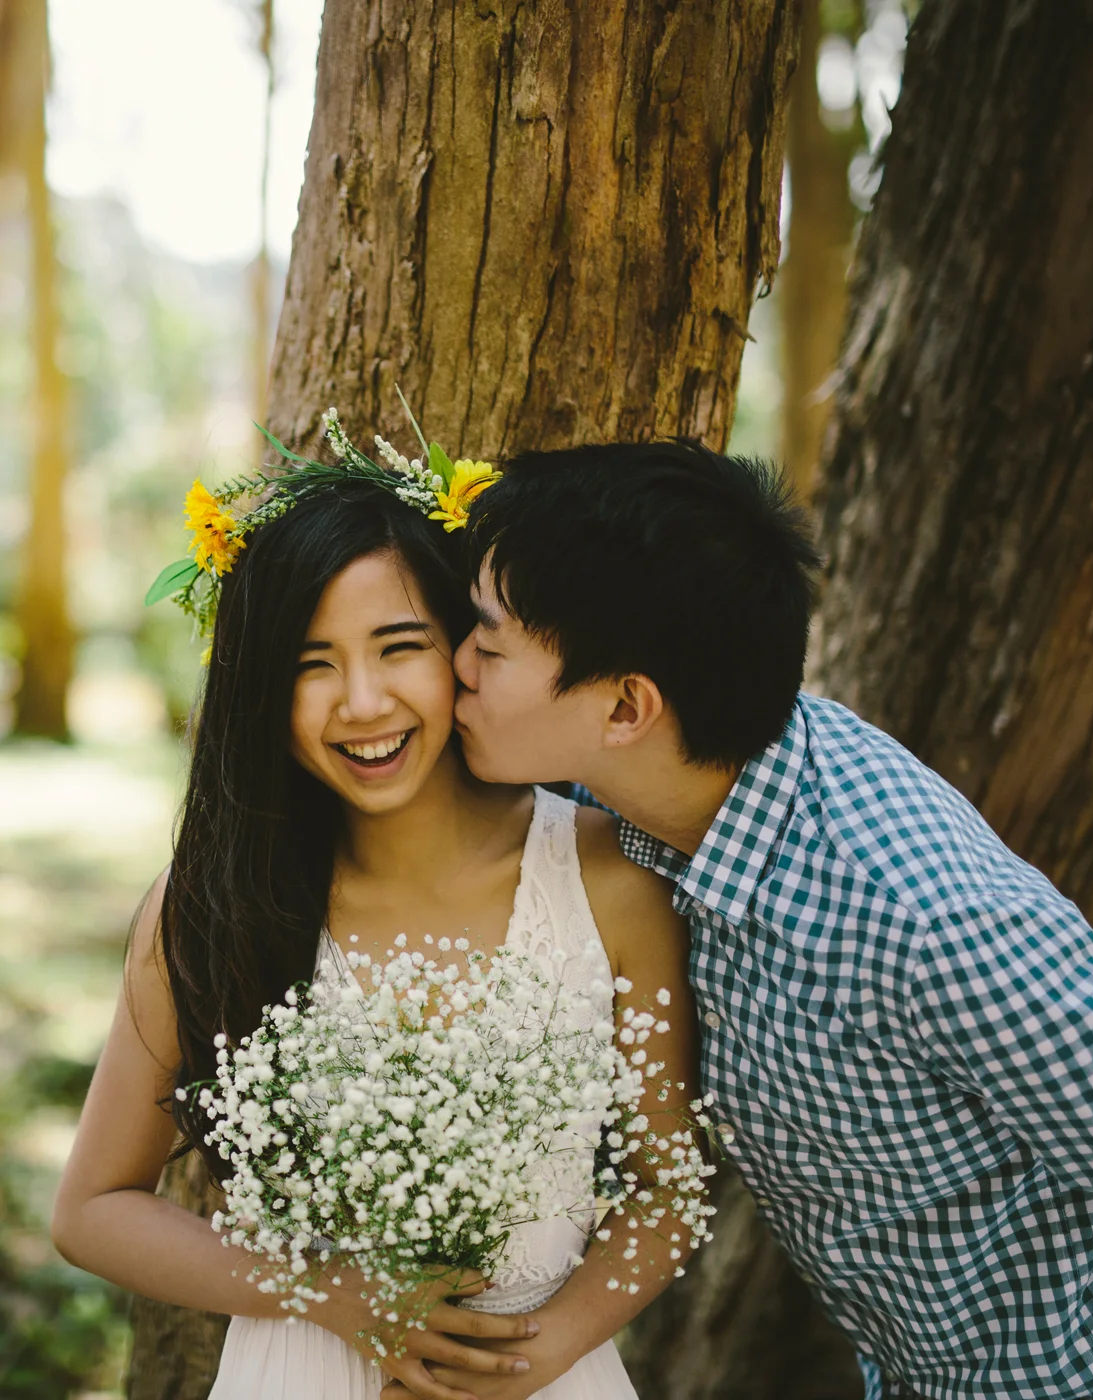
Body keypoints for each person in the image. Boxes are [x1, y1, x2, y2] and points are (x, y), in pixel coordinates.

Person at [453, 439, 1093, 1400]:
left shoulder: (932, 928)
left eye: (487, 648)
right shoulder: (654, 781)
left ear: (626, 706)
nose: (453, 666)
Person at [52, 468, 703, 1400]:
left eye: (399, 647)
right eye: (311, 664)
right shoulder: (209, 905)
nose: (360, 703)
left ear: (462, 655)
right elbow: (90, 1210)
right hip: (301, 1370)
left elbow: (664, 1190)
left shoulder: (607, 881)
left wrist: (518, 1359)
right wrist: (330, 1294)